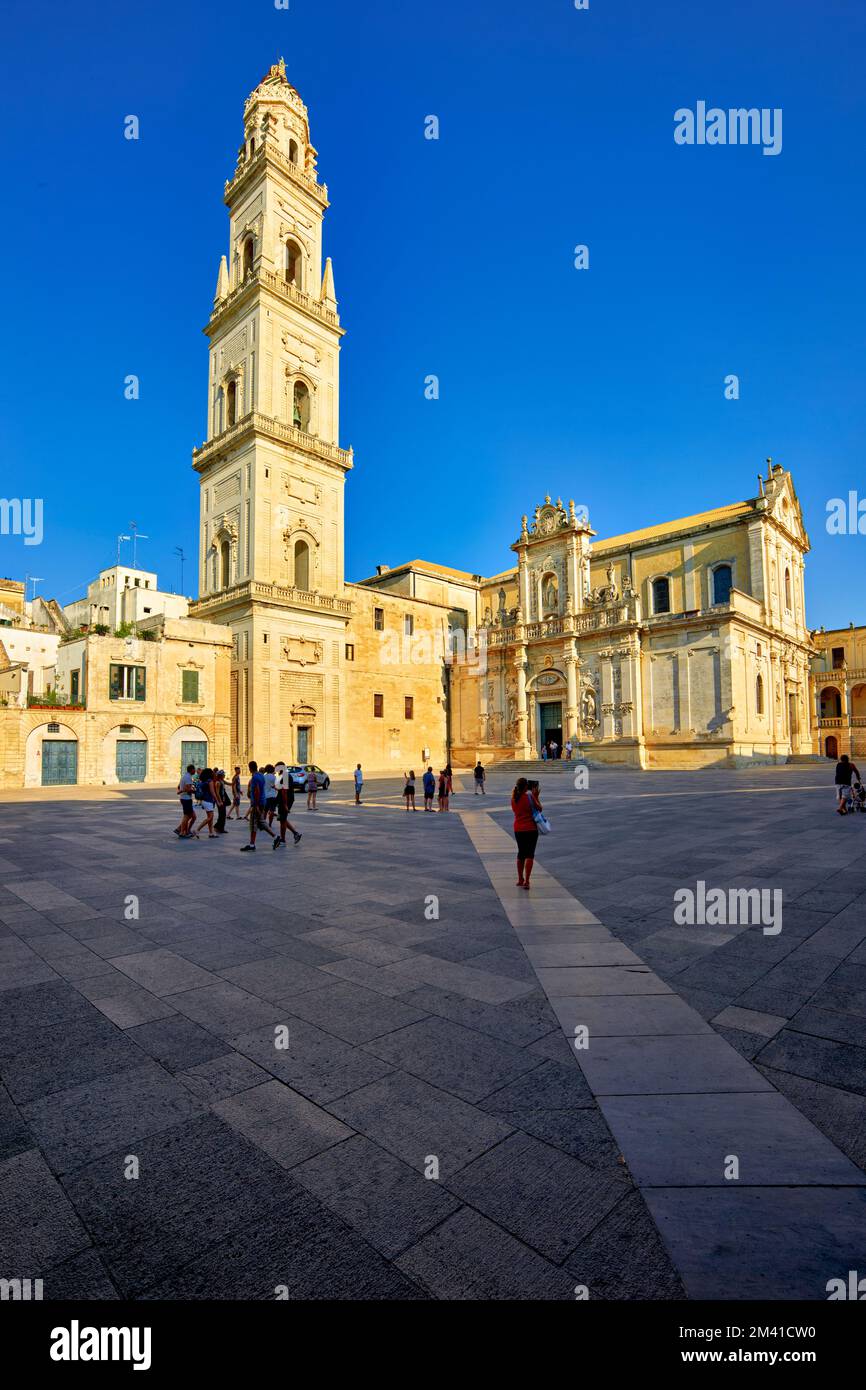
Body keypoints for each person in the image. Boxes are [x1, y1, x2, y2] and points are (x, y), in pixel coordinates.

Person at [512, 776, 541, 890]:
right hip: (531, 829)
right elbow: (540, 809)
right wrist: (536, 797)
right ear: (526, 787)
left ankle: (520, 879)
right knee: (530, 854)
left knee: (521, 854)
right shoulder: (529, 797)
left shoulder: (513, 798)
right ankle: (527, 881)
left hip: (518, 829)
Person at [241, 760, 277, 850]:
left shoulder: (255, 777)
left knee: (253, 824)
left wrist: (256, 805)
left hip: (257, 803)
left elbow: (257, 791)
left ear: (249, 768)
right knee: (260, 822)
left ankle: (252, 845)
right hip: (262, 801)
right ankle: (276, 837)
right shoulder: (261, 775)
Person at [272, 761, 302, 848]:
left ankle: (283, 840)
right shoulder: (285, 775)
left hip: (285, 800)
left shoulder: (285, 776)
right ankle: (296, 834)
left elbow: (285, 791)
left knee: (282, 820)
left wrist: (285, 804)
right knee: (283, 819)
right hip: (285, 799)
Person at [192, 767, 218, 839]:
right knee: (210, 817)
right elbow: (212, 792)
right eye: (212, 772)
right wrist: (217, 801)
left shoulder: (203, 781)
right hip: (208, 801)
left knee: (210, 817)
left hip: (204, 801)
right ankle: (197, 830)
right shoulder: (210, 781)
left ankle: (211, 833)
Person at [175, 763, 196, 839]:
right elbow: (187, 789)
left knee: (192, 816)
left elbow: (181, 787)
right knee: (187, 816)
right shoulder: (188, 777)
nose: (195, 771)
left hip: (185, 798)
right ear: (191, 770)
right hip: (186, 798)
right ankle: (182, 832)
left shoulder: (185, 776)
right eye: (194, 769)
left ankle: (182, 830)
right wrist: (195, 791)